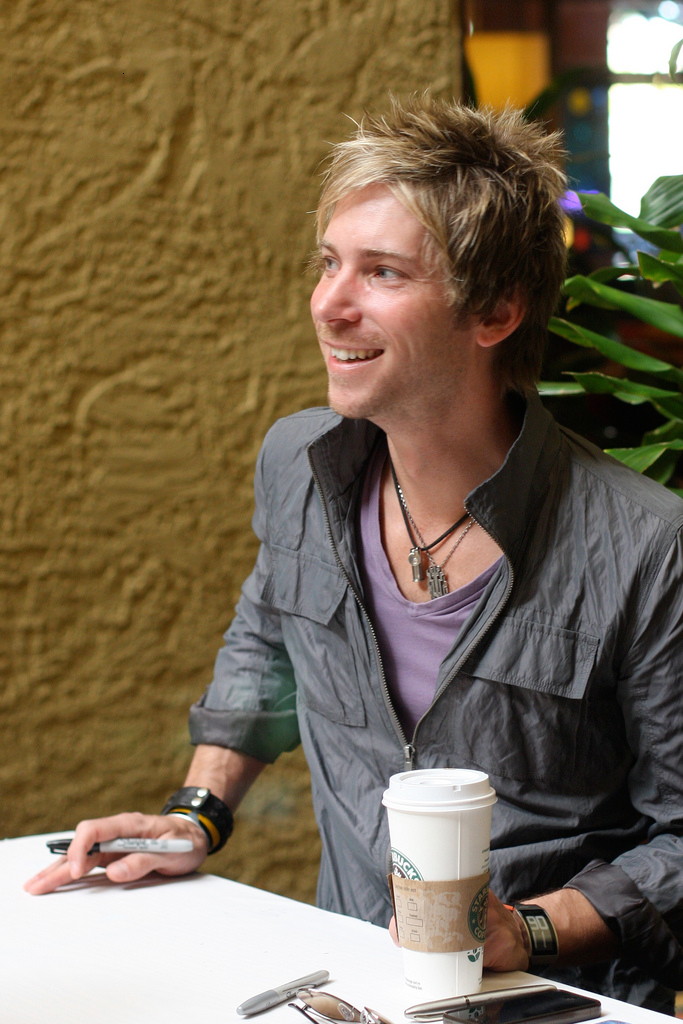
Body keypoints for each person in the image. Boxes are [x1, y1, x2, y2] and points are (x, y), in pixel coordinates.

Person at [25, 96, 683, 1013]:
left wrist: (526, 928)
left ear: (494, 310)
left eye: (381, 272)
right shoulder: (298, 463)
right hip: (350, 985)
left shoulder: (646, 545)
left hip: (549, 998)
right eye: (329, 263)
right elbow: (267, 646)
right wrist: (194, 815)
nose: (329, 306)